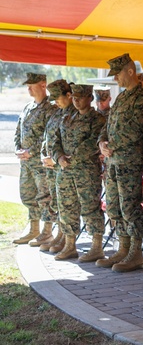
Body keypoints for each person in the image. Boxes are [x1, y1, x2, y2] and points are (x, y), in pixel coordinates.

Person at [97, 54, 143, 273]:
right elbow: (108, 124)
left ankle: (135, 252)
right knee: (114, 206)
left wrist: (111, 143)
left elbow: (136, 130)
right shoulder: (122, 98)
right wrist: (102, 142)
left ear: (130, 71)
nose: (116, 80)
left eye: (118, 74)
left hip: (129, 161)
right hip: (113, 161)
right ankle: (123, 248)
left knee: (129, 207)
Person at [52, 83, 106, 261]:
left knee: (90, 207)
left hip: (86, 171)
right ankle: (70, 245)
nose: (75, 100)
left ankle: (96, 246)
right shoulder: (67, 117)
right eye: (73, 97)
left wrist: (72, 158)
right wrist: (59, 157)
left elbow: (94, 142)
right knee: (66, 207)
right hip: (65, 170)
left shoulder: (97, 119)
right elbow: (56, 140)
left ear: (90, 98)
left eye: (80, 97)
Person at [12, 72, 55, 245]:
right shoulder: (28, 107)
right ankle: (33, 230)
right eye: (27, 85)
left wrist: (32, 150)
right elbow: (18, 131)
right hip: (26, 162)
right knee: (28, 195)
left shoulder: (51, 108)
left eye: (32, 84)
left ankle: (47, 232)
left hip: (40, 163)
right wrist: (18, 149)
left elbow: (49, 135)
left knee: (44, 197)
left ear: (43, 85)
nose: (28, 88)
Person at [39, 80, 75, 254]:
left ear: (69, 95)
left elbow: (68, 144)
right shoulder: (56, 113)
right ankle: (60, 233)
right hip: (51, 166)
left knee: (67, 205)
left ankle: (66, 237)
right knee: (57, 203)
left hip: (62, 166)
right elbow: (47, 138)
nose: (55, 102)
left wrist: (55, 158)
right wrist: (43, 155)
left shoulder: (73, 114)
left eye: (58, 98)